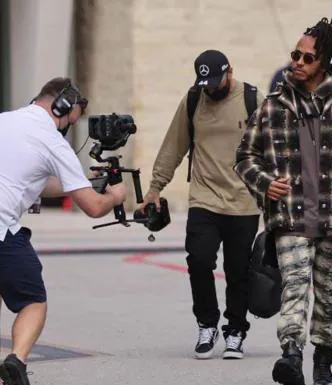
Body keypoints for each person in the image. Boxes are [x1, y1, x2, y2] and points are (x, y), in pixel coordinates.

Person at [234, 17, 332, 385]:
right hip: (290, 215)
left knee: (329, 295)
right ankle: (291, 354)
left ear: (325, 62)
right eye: (295, 56)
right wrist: (265, 183)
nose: (297, 63)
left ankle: (323, 361)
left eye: (307, 58)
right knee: (295, 284)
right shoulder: (272, 107)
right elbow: (244, 157)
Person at [137, 49, 264, 360]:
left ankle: (235, 331)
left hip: (243, 200)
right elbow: (174, 146)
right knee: (198, 260)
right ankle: (207, 324)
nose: (211, 89)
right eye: (206, 83)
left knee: (238, 271)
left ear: (229, 72)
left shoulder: (252, 98)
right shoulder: (194, 99)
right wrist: (154, 189)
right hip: (204, 198)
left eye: (216, 82)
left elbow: (274, 145)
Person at [0, 77, 127, 385]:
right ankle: (15, 363)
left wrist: (81, 182)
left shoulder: (6, 120)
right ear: (62, 106)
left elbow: (35, 181)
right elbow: (94, 207)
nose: (68, 127)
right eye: (71, 120)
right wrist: (116, 195)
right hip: (2, 229)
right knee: (33, 301)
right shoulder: (53, 141)